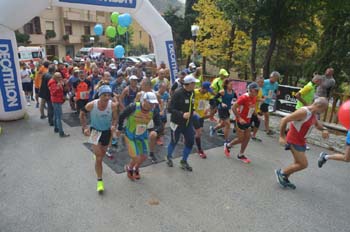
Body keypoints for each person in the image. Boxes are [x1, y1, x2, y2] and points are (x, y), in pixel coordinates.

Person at [275, 97, 329, 189]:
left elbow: (317, 125)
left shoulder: (313, 114)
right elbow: (284, 120)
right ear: (319, 106)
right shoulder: (304, 112)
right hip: (293, 140)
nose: (323, 112)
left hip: (301, 141)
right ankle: (281, 173)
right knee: (303, 164)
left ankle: (285, 177)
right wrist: (281, 136)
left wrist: (324, 129)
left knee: (297, 162)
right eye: (324, 109)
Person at [81, 85, 118, 193]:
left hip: (106, 133)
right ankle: (100, 181)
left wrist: (113, 125)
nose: (107, 97)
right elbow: (82, 114)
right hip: (95, 132)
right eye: (104, 95)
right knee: (99, 158)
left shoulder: (113, 106)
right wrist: (85, 127)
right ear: (99, 95)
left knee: (102, 154)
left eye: (109, 95)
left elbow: (115, 118)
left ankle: (97, 154)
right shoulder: (92, 105)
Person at [117, 92, 161, 180]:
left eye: (154, 103)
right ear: (144, 101)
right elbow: (122, 116)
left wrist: (155, 131)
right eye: (150, 103)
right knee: (135, 157)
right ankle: (129, 168)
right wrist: (119, 128)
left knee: (144, 156)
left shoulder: (154, 110)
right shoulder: (133, 107)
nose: (152, 105)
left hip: (142, 135)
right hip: (130, 135)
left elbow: (159, 124)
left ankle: (136, 168)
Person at [166, 75, 198, 171]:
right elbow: (170, 109)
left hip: (188, 123)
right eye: (194, 83)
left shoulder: (192, 92)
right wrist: (182, 114)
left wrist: (193, 111)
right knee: (174, 141)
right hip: (176, 123)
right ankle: (168, 157)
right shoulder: (177, 93)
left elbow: (191, 105)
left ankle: (183, 161)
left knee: (190, 141)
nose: (195, 85)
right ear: (189, 84)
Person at [224, 82, 259, 163]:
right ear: (250, 90)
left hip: (248, 120)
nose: (257, 92)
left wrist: (255, 113)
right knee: (241, 139)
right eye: (255, 90)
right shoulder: (243, 97)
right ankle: (228, 145)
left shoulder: (254, 97)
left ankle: (241, 154)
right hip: (241, 120)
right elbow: (233, 107)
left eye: (257, 90)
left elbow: (251, 107)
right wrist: (239, 118)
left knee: (247, 138)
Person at [209, 78, 236, 142]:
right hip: (222, 109)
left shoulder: (233, 91)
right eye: (230, 84)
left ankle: (213, 129)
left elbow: (235, 99)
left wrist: (235, 103)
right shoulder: (223, 91)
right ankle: (226, 140)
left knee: (223, 124)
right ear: (226, 85)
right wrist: (221, 103)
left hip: (228, 109)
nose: (232, 86)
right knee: (228, 124)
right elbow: (215, 99)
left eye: (232, 84)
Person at [193, 82, 214, 158]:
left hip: (201, 116)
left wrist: (207, 108)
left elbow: (211, 101)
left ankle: (199, 149)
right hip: (192, 115)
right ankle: (200, 149)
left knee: (199, 132)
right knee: (195, 133)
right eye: (207, 90)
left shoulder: (207, 94)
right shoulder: (194, 92)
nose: (207, 91)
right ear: (202, 88)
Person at [48, 72, 70, 138]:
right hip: (56, 101)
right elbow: (53, 92)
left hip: (56, 100)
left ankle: (56, 128)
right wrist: (58, 86)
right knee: (59, 117)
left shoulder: (55, 82)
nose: (60, 78)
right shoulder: (53, 83)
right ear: (54, 77)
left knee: (56, 115)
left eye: (60, 76)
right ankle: (61, 133)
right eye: (58, 77)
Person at [261, 71, 280, 135]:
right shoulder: (265, 82)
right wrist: (262, 96)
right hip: (262, 101)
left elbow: (276, 90)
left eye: (276, 79)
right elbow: (258, 88)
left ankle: (266, 129)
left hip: (268, 101)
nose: (275, 80)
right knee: (266, 116)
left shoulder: (276, 84)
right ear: (271, 77)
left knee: (259, 115)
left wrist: (277, 92)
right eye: (274, 78)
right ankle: (267, 130)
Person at [251, 77, 265, 142]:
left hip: (256, 109)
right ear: (257, 82)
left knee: (257, 122)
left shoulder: (261, 89)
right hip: (251, 109)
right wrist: (261, 99)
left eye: (263, 82)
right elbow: (253, 98)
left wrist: (263, 97)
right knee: (248, 123)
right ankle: (241, 133)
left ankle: (253, 136)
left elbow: (259, 98)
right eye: (261, 82)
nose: (262, 83)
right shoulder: (254, 89)